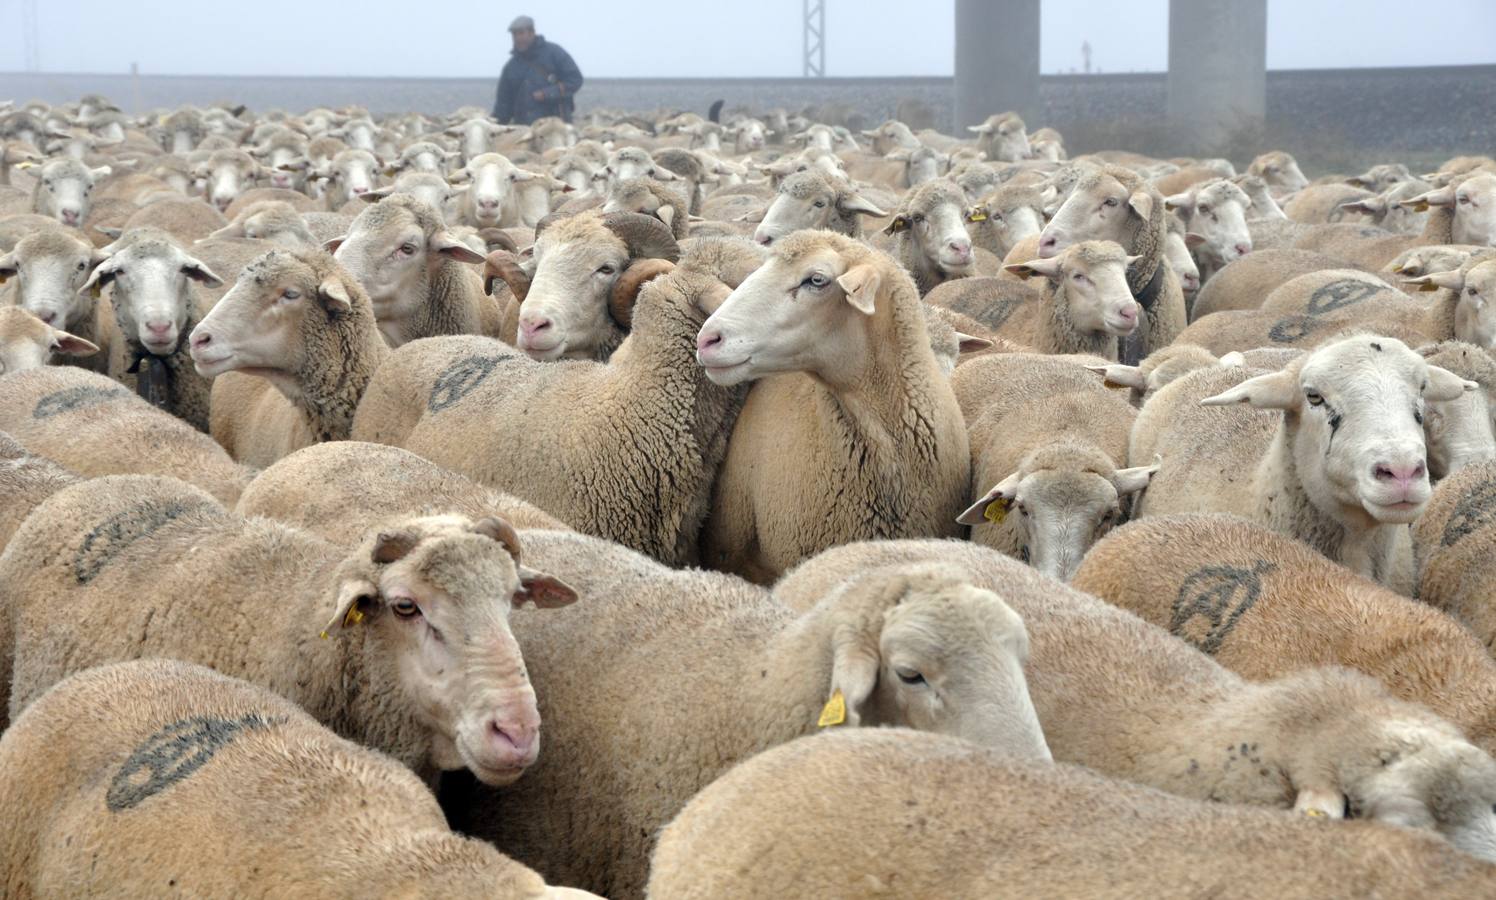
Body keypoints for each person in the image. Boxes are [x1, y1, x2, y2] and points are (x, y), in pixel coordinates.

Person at [492, 15, 584, 125]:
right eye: (514, 34)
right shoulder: (510, 67)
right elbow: (503, 106)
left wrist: (547, 93)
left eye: (521, 33)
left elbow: (575, 80)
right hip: (524, 132)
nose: (517, 38)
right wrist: (493, 127)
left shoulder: (554, 53)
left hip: (555, 128)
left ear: (532, 33)